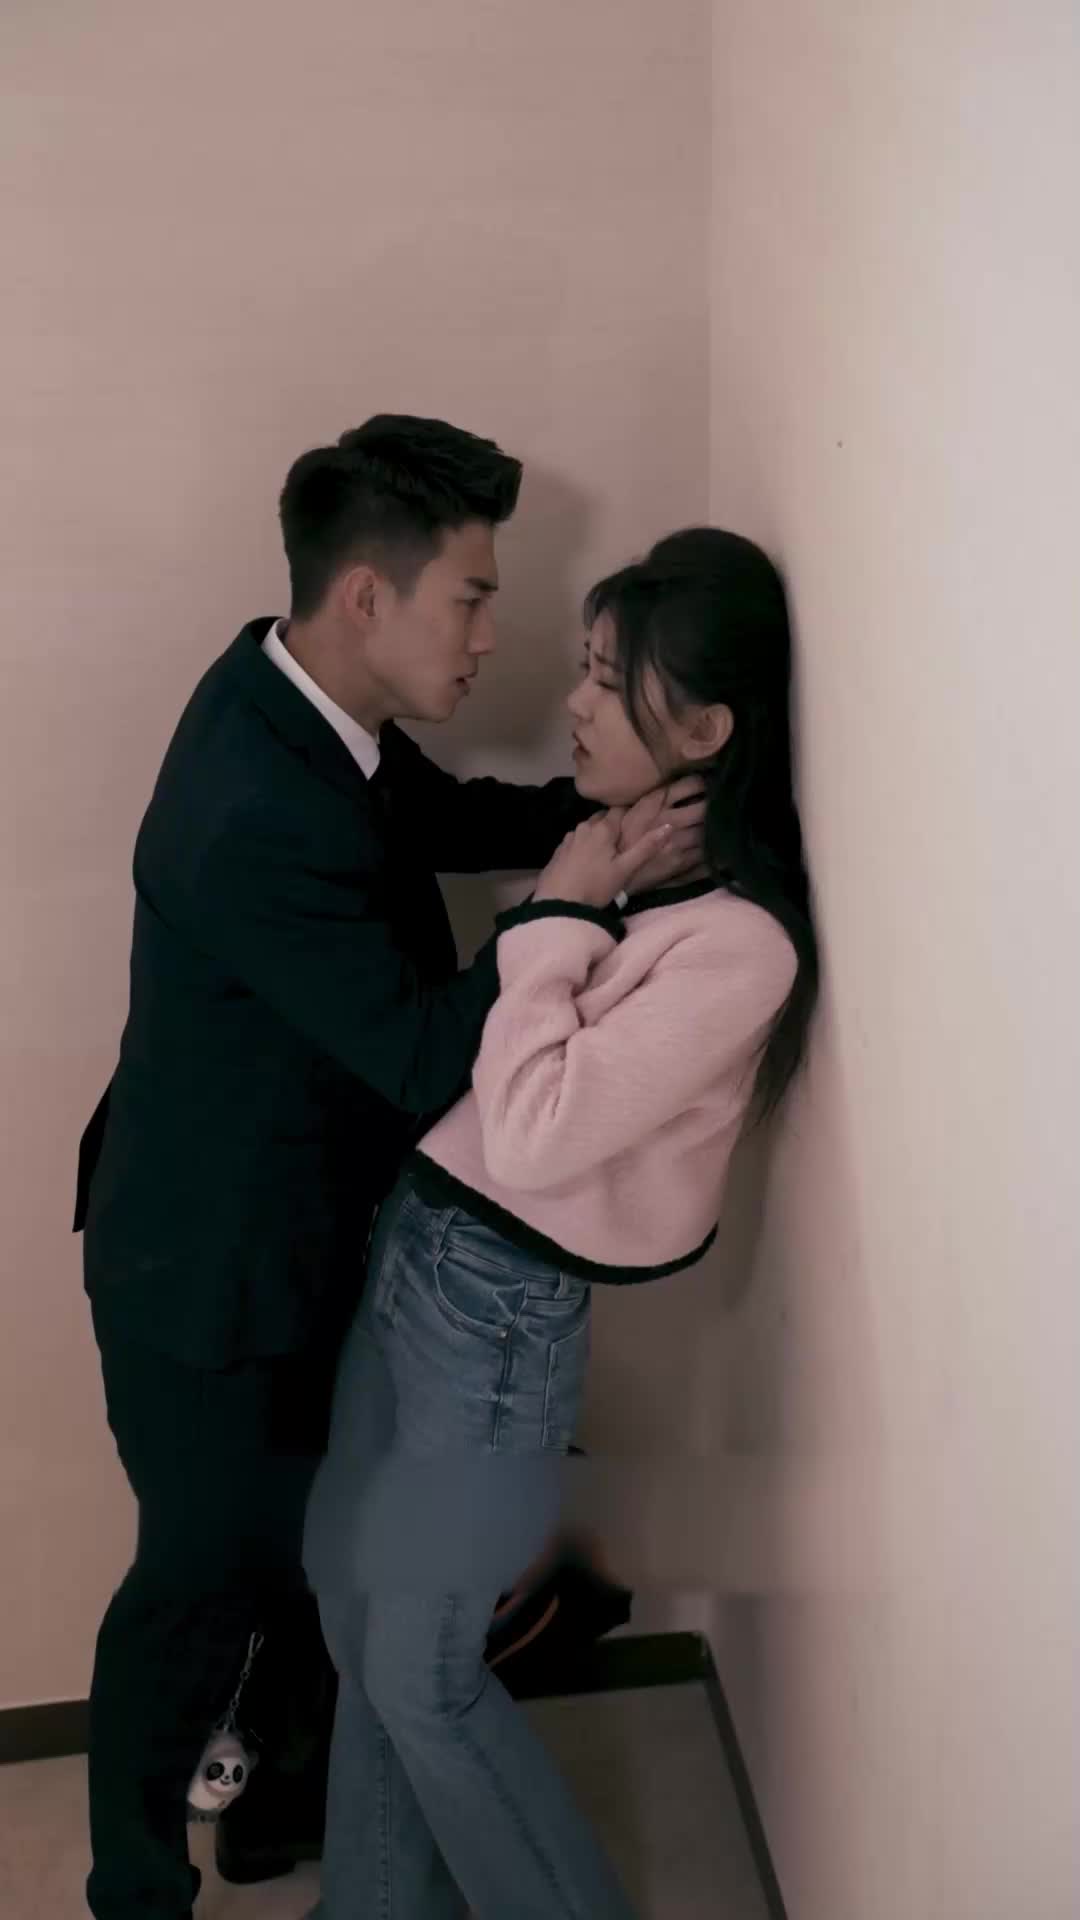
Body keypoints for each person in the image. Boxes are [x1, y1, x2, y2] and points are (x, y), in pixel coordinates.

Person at [73, 415, 704, 1920]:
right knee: (198, 1587)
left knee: (318, 1560)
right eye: (472, 597)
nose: (491, 635)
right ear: (368, 595)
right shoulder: (251, 807)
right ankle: (132, 1893)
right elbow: (424, 1054)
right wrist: (562, 910)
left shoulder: (298, 702)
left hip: (298, 1236)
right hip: (205, 1278)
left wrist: (611, 820)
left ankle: (277, 1805)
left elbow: (444, 819)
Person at [304, 526, 819, 1920]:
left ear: (705, 730)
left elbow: (534, 1127)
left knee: (423, 1675)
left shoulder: (739, 947)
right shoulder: (629, 860)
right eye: (586, 669)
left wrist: (557, 908)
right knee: (353, 1618)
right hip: (418, 1253)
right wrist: (579, 894)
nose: (574, 703)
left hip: (495, 1318)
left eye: (605, 678)